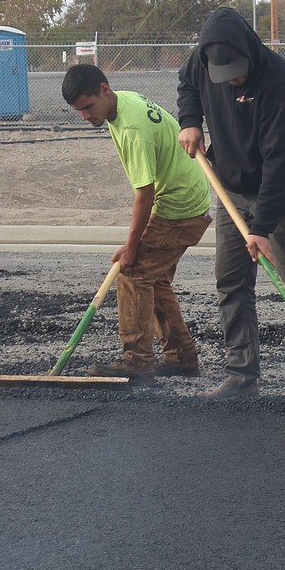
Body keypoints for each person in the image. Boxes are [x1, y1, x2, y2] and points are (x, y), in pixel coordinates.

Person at [176, 7, 285, 399]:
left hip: (284, 190)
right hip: (231, 189)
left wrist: (261, 228)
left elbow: (281, 163)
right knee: (231, 280)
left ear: (250, 51)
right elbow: (187, 84)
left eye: (238, 71)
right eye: (225, 74)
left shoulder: (281, 81)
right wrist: (190, 120)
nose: (233, 79)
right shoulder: (202, 60)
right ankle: (242, 376)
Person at [62, 64, 212, 381]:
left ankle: (137, 362)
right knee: (154, 279)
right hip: (187, 197)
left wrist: (131, 247)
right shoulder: (124, 99)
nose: (86, 116)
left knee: (133, 273)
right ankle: (182, 357)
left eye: (88, 107)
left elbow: (145, 192)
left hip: (179, 205)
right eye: (79, 111)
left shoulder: (132, 130)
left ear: (104, 90)